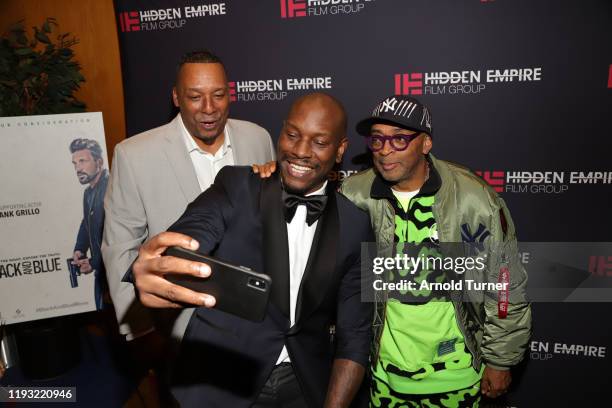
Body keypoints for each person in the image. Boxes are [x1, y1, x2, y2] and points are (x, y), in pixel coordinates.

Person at [127, 92, 374, 407]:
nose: (300, 151)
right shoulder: (237, 186)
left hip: (305, 387)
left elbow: (355, 334)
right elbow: (193, 230)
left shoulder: (356, 225)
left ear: (340, 150)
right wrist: (159, 262)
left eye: (319, 142)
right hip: (221, 382)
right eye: (293, 135)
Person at [339, 95, 532, 407]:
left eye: (399, 139)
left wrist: (500, 360)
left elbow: (504, 283)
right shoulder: (355, 196)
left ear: (425, 143)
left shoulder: (473, 200)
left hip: (457, 379)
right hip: (384, 378)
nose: (385, 150)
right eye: (377, 140)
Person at [102, 50, 276, 342]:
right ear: (176, 97)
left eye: (218, 95)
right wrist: (140, 328)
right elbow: (120, 246)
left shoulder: (258, 138)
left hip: (255, 317)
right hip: (180, 323)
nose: (209, 108)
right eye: (195, 97)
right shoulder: (133, 155)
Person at [70, 138, 109, 310]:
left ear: (99, 162)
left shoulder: (112, 187)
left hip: (116, 276)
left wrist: (93, 263)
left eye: (83, 161)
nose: (78, 169)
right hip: (102, 275)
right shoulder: (88, 193)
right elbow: (87, 222)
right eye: (75, 163)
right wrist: (80, 248)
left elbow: (116, 235)